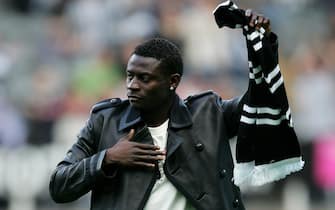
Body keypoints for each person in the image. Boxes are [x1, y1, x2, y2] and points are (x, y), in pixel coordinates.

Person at [49, 2, 303, 210]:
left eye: (144, 78)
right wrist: (108, 158)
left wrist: (264, 47)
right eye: (130, 76)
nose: (133, 85)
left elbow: (261, 101)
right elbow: (59, 186)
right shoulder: (104, 121)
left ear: (173, 82)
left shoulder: (208, 114)